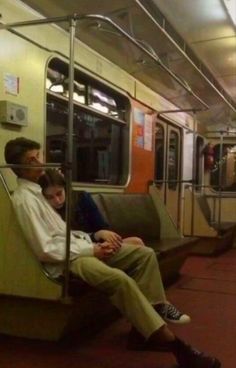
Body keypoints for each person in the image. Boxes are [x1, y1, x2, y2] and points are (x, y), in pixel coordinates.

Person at [4, 137, 221, 368]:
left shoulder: (38, 193)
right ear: (19, 168)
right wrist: (92, 250)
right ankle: (175, 345)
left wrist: (93, 241)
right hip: (68, 260)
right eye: (32, 159)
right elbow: (46, 248)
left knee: (144, 255)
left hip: (80, 249)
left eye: (39, 155)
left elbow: (63, 234)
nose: (40, 162)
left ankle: (142, 329)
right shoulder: (24, 200)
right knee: (119, 279)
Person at [38, 169, 145, 248]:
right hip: (78, 249)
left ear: (65, 189)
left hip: (97, 244)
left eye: (59, 193)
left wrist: (103, 237)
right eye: (50, 197)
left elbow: (102, 227)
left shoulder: (82, 198)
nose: (57, 200)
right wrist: (95, 236)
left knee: (137, 242)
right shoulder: (44, 211)